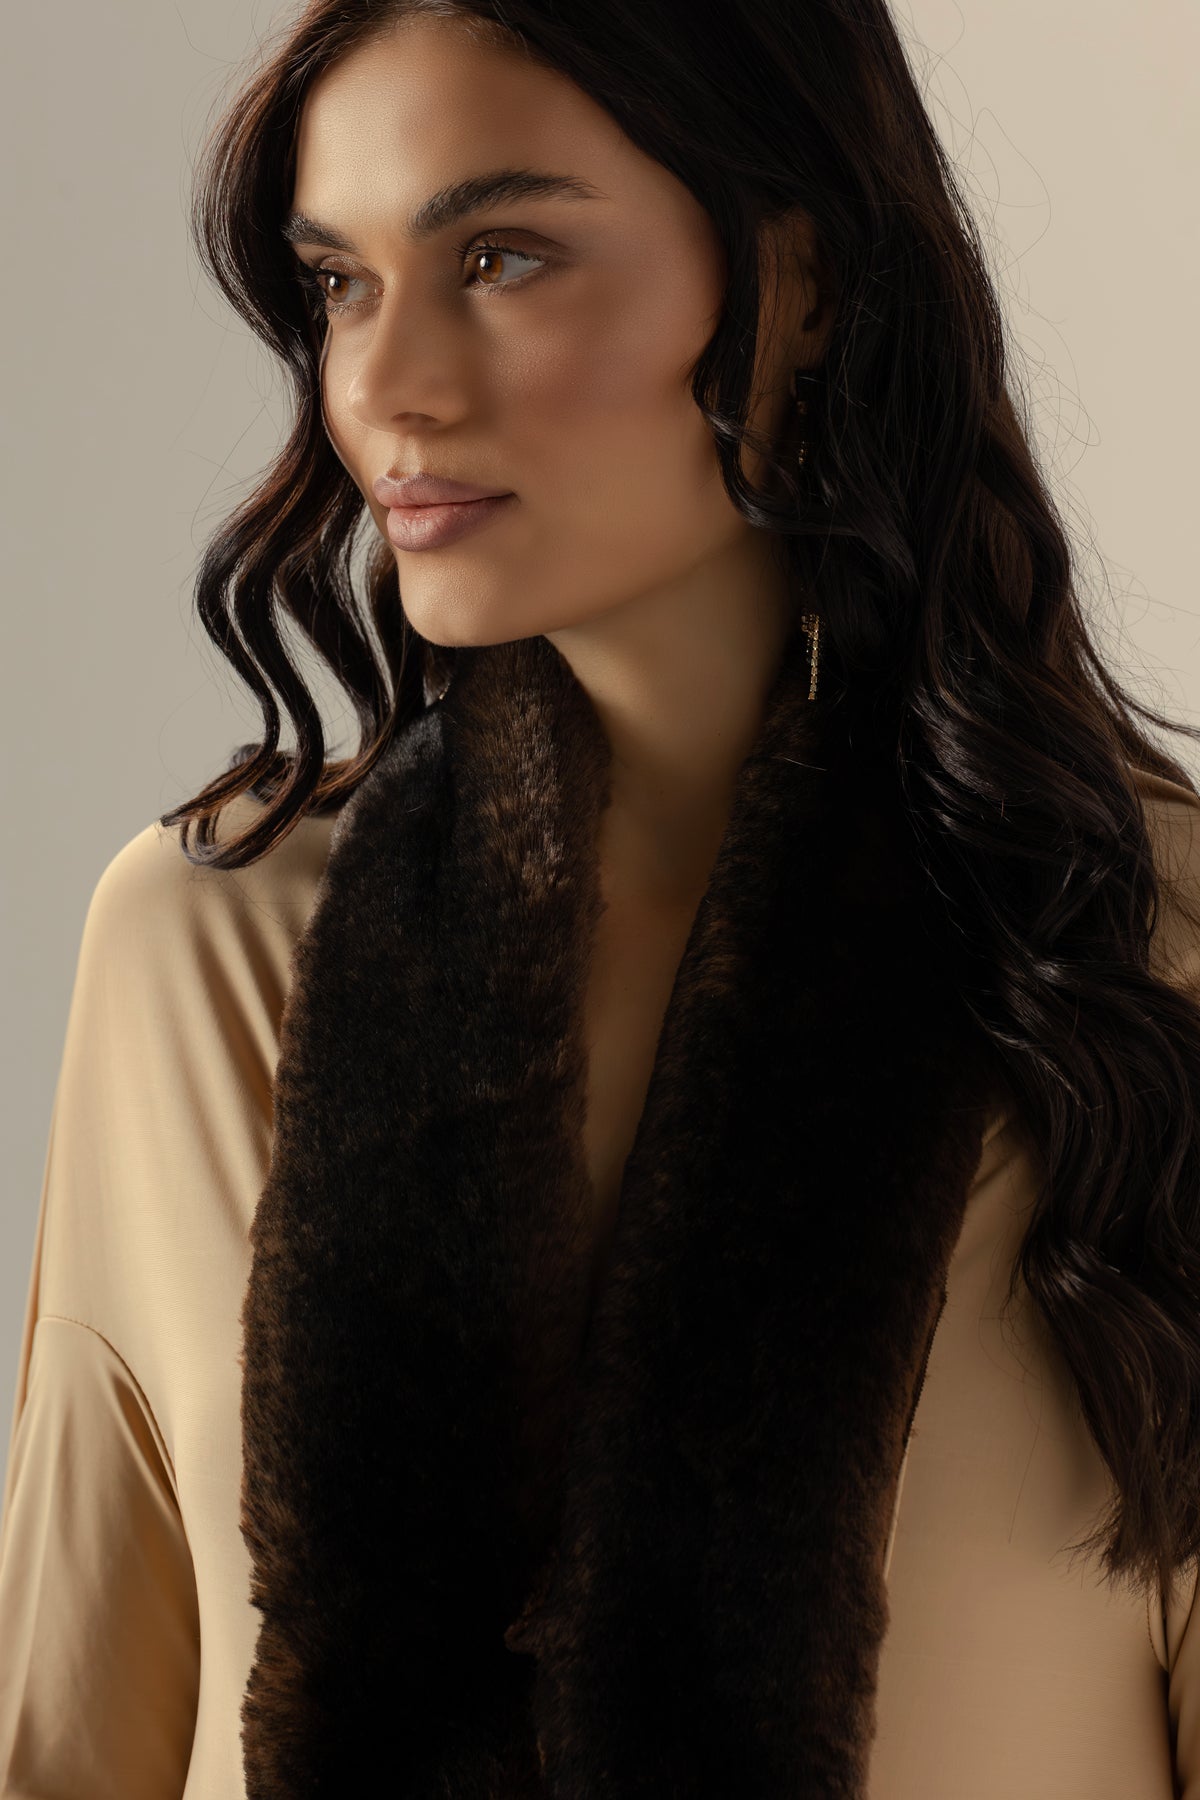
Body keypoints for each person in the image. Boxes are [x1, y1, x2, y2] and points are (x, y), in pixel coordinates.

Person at [3, 1, 1200, 1794]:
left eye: (502, 257)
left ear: (798, 284)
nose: (385, 386)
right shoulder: (208, 948)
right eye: (341, 284)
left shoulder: (1142, 954)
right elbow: (63, 1750)